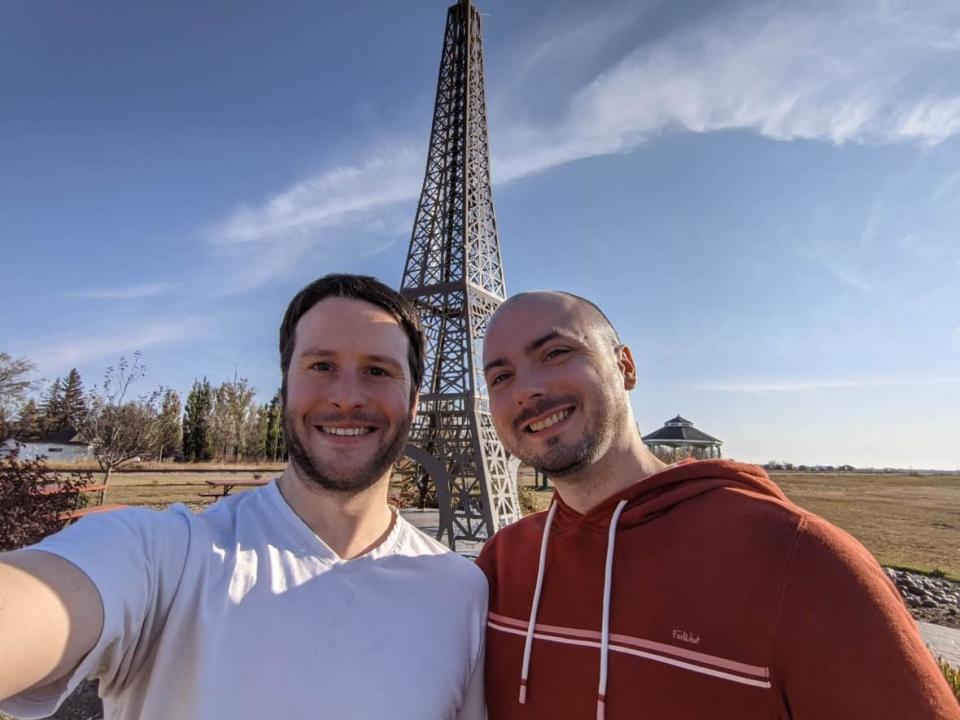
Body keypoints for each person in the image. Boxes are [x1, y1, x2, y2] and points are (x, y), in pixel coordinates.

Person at [0, 274, 487, 720]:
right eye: (321, 365)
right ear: (285, 388)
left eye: (378, 371)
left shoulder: (461, 591)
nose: (346, 396)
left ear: (416, 402)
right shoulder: (163, 557)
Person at [475, 290, 958, 719]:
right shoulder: (500, 566)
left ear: (626, 367)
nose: (526, 390)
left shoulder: (801, 560)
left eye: (557, 352)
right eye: (500, 377)